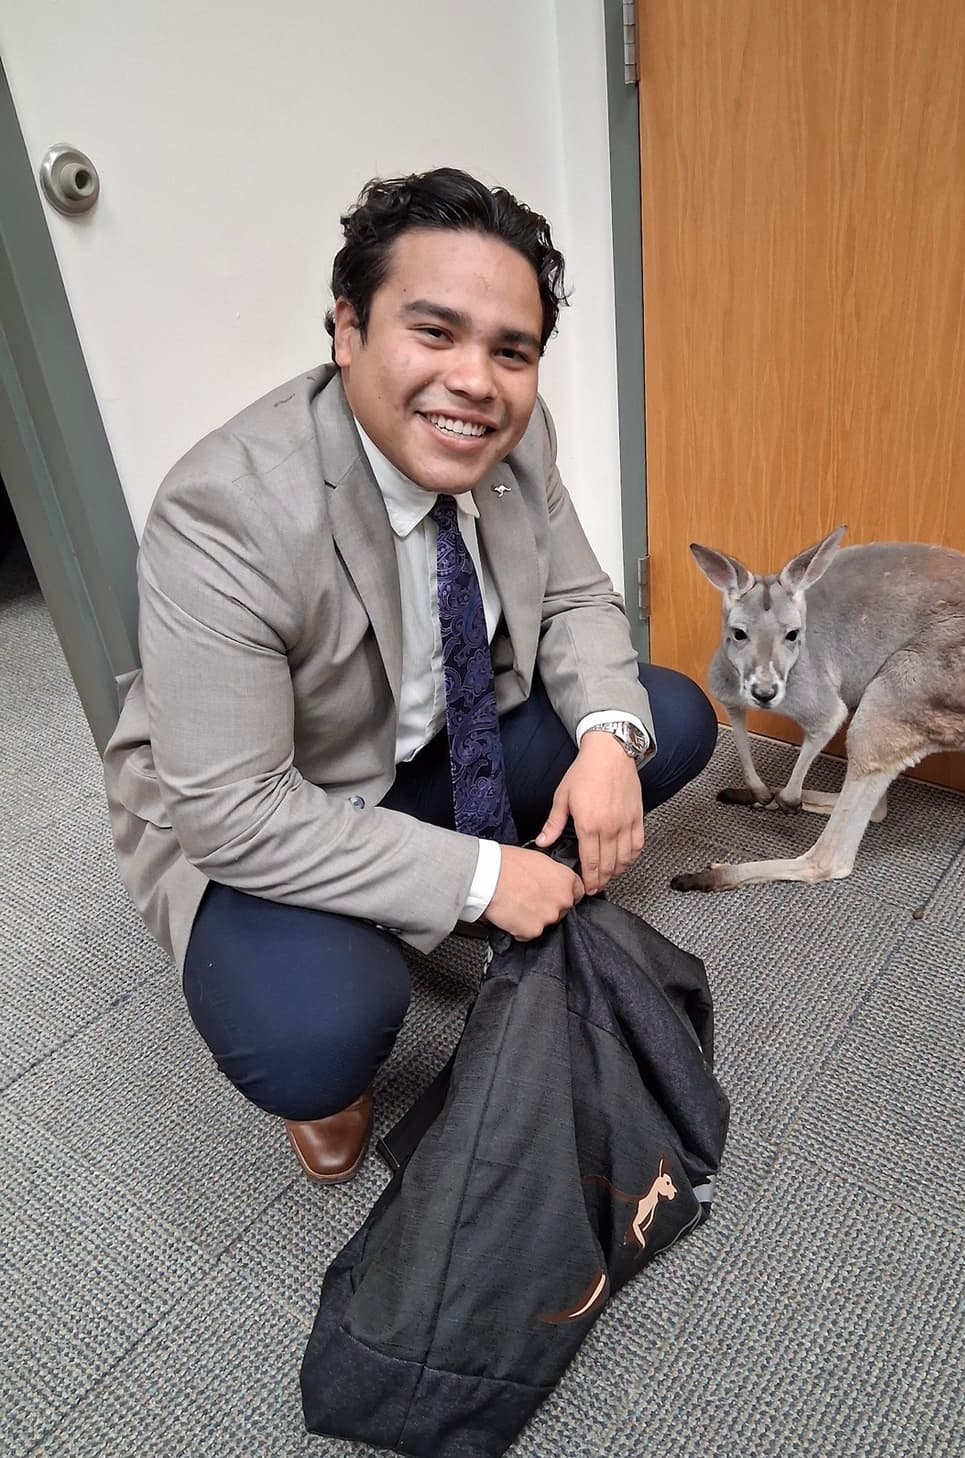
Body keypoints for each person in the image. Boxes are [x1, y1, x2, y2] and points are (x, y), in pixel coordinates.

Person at [102, 167, 717, 1185]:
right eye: (435, 333)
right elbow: (234, 812)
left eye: (510, 351)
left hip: (438, 739)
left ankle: (468, 863)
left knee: (667, 717)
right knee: (315, 1032)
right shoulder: (227, 512)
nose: (476, 380)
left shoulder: (518, 444)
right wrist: (481, 878)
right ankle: (368, 1011)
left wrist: (608, 740)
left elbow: (574, 603)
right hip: (283, 796)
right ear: (347, 328)